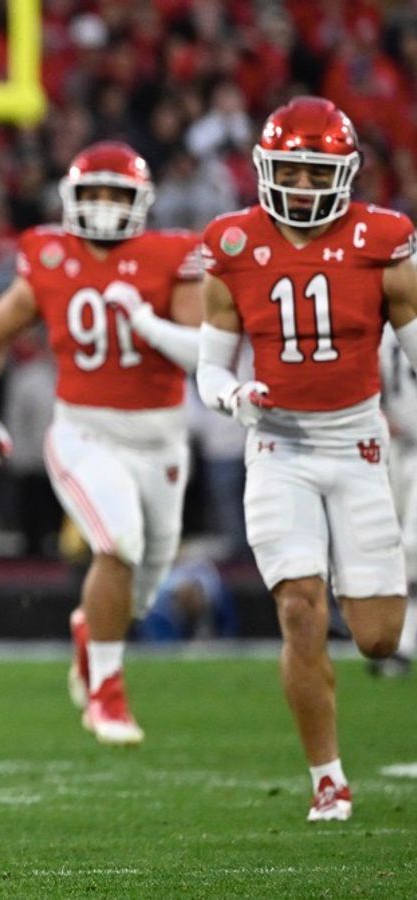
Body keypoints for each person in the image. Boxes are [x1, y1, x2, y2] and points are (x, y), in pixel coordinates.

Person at [196, 96, 417, 822]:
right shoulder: (231, 245)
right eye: (288, 170)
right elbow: (210, 368)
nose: (299, 186)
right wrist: (235, 397)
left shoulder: (383, 241)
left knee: (381, 635)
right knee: (299, 608)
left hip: (356, 446)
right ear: (264, 168)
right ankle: (328, 778)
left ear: (346, 173)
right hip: (278, 447)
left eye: (314, 172)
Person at [0, 141, 205, 746]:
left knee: (140, 593)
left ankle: (87, 634)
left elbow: (201, 352)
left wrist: (146, 322)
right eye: (90, 193)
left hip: (161, 439)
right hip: (84, 431)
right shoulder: (49, 254)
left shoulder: (171, 254)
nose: (100, 206)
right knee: (116, 541)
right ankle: (107, 694)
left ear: (140, 202)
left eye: (114, 194)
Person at [377, 325, 417, 676]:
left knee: (412, 546)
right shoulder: (389, 328)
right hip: (395, 449)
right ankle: (397, 641)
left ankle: (403, 643)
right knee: (390, 545)